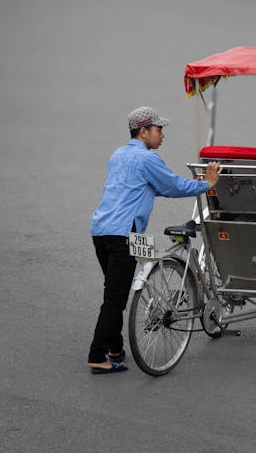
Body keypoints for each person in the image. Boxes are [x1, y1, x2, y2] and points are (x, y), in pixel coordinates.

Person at [88, 107, 220, 374]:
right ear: (144, 131)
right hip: (124, 234)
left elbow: (146, 187)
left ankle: (115, 348)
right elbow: (173, 186)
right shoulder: (148, 160)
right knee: (115, 299)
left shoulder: (118, 155)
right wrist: (207, 184)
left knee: (115, 291)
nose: (162, 136)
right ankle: (97, 355)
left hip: (101, 230)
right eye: (159, 130)